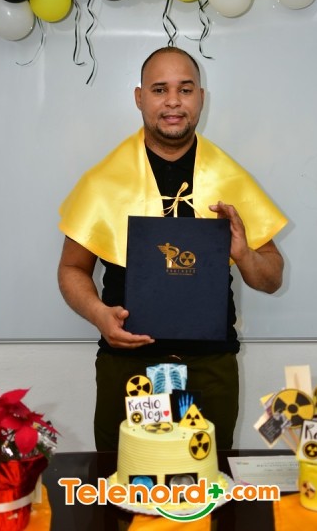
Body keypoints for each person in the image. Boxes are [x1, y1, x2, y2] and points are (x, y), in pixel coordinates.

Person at [58, 46, 287, 451]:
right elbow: (72, 268)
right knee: (124, 479)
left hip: (210, 366)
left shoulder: (231, 178)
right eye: (160, 89)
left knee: (208, 478)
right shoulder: (103, 181)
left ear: (201, 97)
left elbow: (271, 278)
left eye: (185, 89)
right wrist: (98, 314)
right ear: (139, 97)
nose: (173, 102)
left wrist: (244, 254)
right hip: (127, 363)